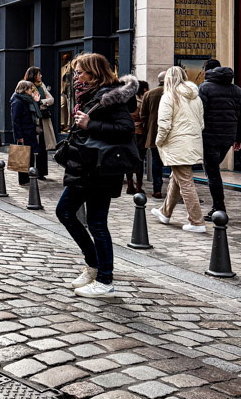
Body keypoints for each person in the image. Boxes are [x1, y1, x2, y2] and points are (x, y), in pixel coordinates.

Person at [55, 54, 137, 298]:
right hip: (86, 166)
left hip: (101, 169)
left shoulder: (110, 98)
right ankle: (94, 266)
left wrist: (90, 124)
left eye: (80, 72)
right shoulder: (90, 95)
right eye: (76, 73)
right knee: (66, 213)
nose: (76, 77)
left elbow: (126, 131)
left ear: (94, 73)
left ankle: (104, 280)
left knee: (95, 223)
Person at [152, 66, 206, 233]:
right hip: (192, 143)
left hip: (177, 144)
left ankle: (197, 222)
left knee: (186, 182)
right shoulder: (196, 97)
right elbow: (202, 124)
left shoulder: (169, 96)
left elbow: (164, 125)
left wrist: (158, 141)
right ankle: (165, 212)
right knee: (177, 177)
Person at [199, 58, 241, 221]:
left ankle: (219, 208)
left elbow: (200, 114)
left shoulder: (204, 88)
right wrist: (239, 138)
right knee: (213, 170)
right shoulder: (237, 90)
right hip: (228, 137)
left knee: (213, 173)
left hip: (209, 137)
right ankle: (218, 206)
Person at [24, 67, 55, 179]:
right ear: (33, 75)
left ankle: (42, 172)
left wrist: (42, 102)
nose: (40, 76)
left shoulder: (42, 85)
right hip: (34, 120)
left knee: (43, 145)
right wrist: (40, 103)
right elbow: (31, 102)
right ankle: (31, 171)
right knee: (33, 145)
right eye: (38, 74)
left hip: (44, 119)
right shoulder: (28, 86)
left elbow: (51, 99)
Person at [140, 71, 166, 198]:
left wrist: (148, 126)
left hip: (154, 133)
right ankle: (176, 190)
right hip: (172, 134)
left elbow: (142, 115)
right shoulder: (175, 93)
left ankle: (157, 189)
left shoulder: (149, 94)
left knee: (156, 161)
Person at [11, 80, 41, 185]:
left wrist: (36, 101)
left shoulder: (27, 100)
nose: (32, 91)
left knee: (31, 155)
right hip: (24, 132)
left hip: (29, 131)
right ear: (24, 89)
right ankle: (24, 180)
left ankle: (29, 177)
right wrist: (19, 136)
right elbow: (16, 120)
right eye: (30, 89)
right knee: (22, 156)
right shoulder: (17, 101)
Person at [125, 81, 149, 194]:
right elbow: (144, 117)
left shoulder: (128, 100)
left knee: (129, 159)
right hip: (139, 133)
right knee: (139, 160)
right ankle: (138, 186)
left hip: (128, 132)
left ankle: (130, 184)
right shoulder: (143, 101)